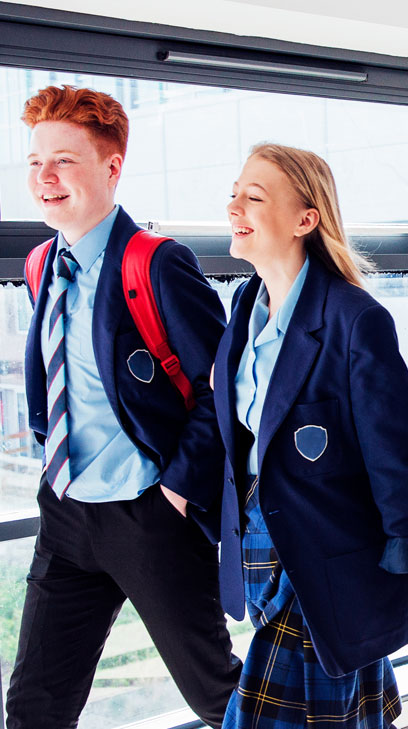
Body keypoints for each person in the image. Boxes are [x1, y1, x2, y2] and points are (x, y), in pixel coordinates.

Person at [7, 85, 240, 728]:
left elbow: (221, 388)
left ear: (111, 168)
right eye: (34, 162)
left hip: (149, 516)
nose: (44, 178)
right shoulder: (38, 265)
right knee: (33, 706)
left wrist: (176, 491)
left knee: (217, 695)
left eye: (64, 160)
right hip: (67, 514)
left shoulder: (158, 265)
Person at [214, 143, 408, 729]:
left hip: (326, 561)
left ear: (307, 220)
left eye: (253, 197)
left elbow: (398, 461)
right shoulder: (245, 305)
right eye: (234, 194)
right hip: (261, 551)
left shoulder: (356, 320)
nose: (234, 208)